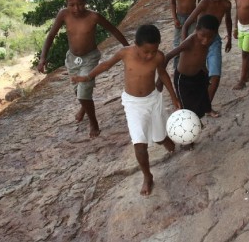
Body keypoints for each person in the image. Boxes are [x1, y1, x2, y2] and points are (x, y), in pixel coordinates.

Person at [72, 24, 181, 196]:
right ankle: (147, 176)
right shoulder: (125, 53)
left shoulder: (159, 57)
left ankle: (170, 144)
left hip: (153, 100)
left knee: (160, 137)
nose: (150, 55)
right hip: (133, 104)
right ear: (136, 45)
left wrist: (174, 98)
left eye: (154, 50)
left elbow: (163, 74)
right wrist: (87, 76)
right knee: (139, 143)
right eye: (146, 51)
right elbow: (106, 65)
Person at [37, 0, 129, 138]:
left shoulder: (94, 17)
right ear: (66, 4)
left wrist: (128, 48)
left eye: (80, 4)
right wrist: (43, 57)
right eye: (71, 5)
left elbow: (114, 30)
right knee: (78, 92)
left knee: (84, 89)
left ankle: (94, 123)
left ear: (85, 3)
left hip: (90, 58)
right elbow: (51, 35)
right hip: (72, 59)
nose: (76, 9)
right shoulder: (64, 14)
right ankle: (84, 107)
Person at [181, 0, 232, 117]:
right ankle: (194, 107)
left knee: (215, 75)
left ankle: (207, 107)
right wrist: (186, 46)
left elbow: (228, 20)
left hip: (214, 40)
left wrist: (229, 38)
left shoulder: (226, 4)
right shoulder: (204, 3)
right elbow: (186, 24)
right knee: (200, 75)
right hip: (198, 42)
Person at [165, 14, 219, 123]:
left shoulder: (209, 41)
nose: (205, 40)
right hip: (183, 79)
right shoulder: (190, 42)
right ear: (196, 30)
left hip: (198, 75)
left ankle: (198, 120)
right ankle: (187, 129)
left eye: (210, 37)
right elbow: (167, 56)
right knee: (186, 108)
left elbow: (201, 57)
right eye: (202, 36)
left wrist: (205, 71)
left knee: (202, 100)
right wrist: (160, 81)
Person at [169, 0, 203, 66]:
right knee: (177, 43)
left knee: (192, 40)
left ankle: (192, 64)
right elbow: (173, 3)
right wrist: (175, 18)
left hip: (192, 17)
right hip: (180, 18)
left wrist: (197, 12)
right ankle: (177, 66)